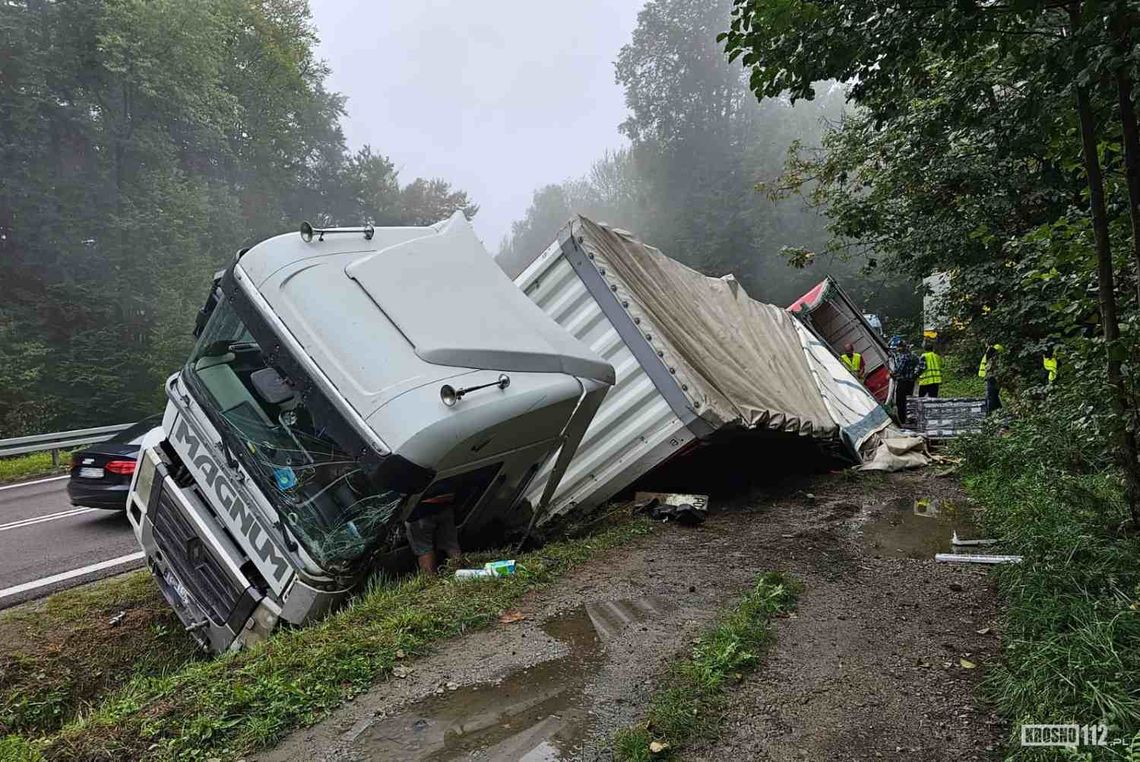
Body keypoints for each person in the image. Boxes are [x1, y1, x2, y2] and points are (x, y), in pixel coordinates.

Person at [404, 483, 462, 574]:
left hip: (420, 512)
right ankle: (462, 575)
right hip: (444, 504)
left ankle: (431, 581)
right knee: (451, 545)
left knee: (424, 550)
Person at [889, 340, 924, 424]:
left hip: (903, 382)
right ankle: (911, 418)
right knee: (908, 400)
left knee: (900, 402)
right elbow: (921, 366)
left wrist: (892, 374)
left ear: (902, 347)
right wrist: (915, 375)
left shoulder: (903, 357)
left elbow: (899, 369)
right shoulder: (913, 356)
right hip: (910, 382)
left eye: (898, 347)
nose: (897, 349)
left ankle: (903, 420)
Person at [978, 343, 1004, 414]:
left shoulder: (992, 349)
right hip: (991, 376)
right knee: (991, 395)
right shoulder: (993, 349)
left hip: (991, 375)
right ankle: (994, 410)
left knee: (991, 394)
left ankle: (993, 411)